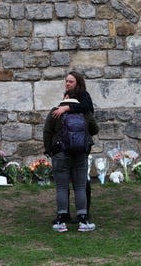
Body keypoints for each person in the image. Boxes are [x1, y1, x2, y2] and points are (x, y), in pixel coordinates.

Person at [43, 78, 99, 233]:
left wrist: (50, 150)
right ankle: (83, 220)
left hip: (60, 153)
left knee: (61, 187)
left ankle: (61, 220)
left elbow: (47, 133)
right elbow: (95, 130)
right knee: (80, 186)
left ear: (66, 98)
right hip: (80, 153)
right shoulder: (85, 112)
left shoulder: (55, 112)